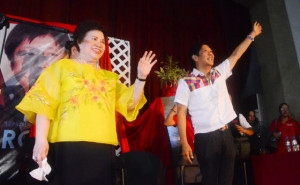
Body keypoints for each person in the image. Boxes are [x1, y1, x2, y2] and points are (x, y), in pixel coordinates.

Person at [16, 20, 157, 185]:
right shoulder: (60, 68)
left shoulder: (109, 78)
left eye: (103, 41)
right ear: (79, 42)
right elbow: (43, 104)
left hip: (103, 148)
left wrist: (141, 77)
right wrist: (40, 140)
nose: (99, 44)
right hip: (67, 145)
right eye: (94, 39)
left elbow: (130, 103)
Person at [174, 21, 262, 185]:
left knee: (227, 180)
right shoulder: (186, 82)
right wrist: (185, 143)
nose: (211, 54)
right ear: (195, 57)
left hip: (226, 134)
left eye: (212, 51)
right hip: (206, 138)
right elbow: (180, 113)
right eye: (206, 51)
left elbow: (236, 54)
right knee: (210, 180)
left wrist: (252, 35)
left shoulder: (218, 73)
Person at [0, 23, 69, 184]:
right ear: (11, 63)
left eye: (50, 55)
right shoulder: (3, 99)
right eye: (29, 54)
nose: (41, 63)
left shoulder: (68, 100)